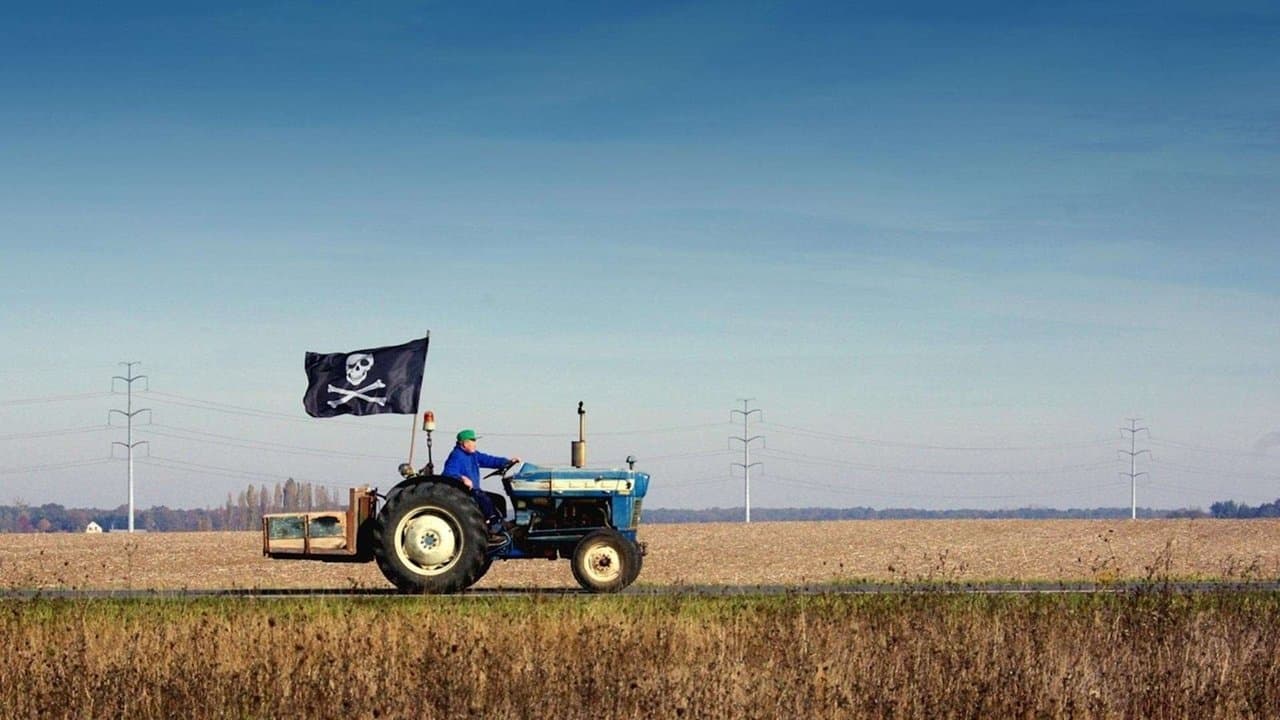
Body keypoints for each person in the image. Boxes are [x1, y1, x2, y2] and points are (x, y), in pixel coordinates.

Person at [441, 429, 520, 542]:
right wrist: (462, 478)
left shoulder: (473, 455)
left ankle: (501, 525)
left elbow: (489, 460)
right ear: (464, 443)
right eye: (472, 440)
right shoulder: (456, 456)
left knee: (497, 499)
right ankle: (493, 529)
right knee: (485, 500)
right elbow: (448, 473)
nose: (474, 443)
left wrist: (506, 462)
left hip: (474, 490)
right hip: (464, 492)